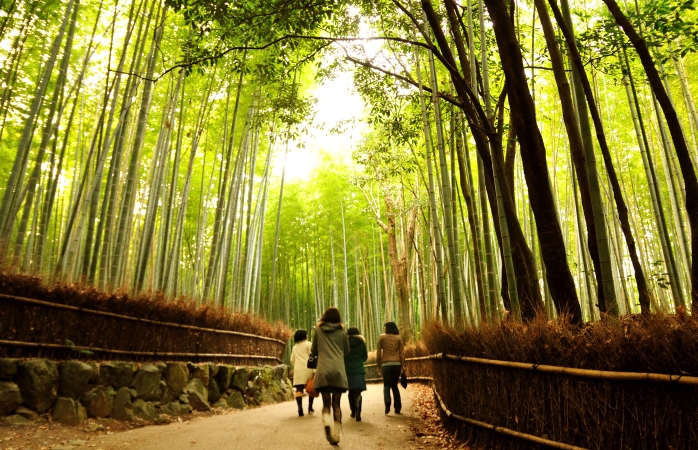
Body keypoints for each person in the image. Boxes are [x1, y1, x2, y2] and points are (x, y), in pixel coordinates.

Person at [311, 307, 350, 445]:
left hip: (324, 370)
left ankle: (327, 424)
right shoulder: (342, 332)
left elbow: (314, 350)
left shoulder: (318, 330)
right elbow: (346, 351)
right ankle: (337, 435)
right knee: (336, 404)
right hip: (338, 371)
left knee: (326, 403)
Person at [376, 321, 405, 415]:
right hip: (397, 364)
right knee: (395, 386)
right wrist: (403, 365)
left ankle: (387, 401)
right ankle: (397, 407)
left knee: (386, 385)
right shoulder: (399, 338)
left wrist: (378, 365)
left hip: (385, 364)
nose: (384, 329)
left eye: (385, 327)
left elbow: (378, 353)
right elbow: (402, 353)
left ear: (388, 328)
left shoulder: (382, 337)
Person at [344, 327, 368, 422]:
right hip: (359, 370)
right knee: (357, 392)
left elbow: (342, 356)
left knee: (350, 391)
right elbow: (365, 357)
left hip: (347, 371)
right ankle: (358, 411)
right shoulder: (361, 343)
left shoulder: (344, 343)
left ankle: (353, 411)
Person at [290, 329, 315, 416]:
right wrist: (315, 370)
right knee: (310, 387)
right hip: (308, 368)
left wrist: (296, 365)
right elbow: (313, 356)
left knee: (299, 389)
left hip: (298, 370)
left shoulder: (294, 347)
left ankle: (300, 409)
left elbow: (292, 360)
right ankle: (310, 407)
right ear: (304, 336)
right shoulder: (309, 344)